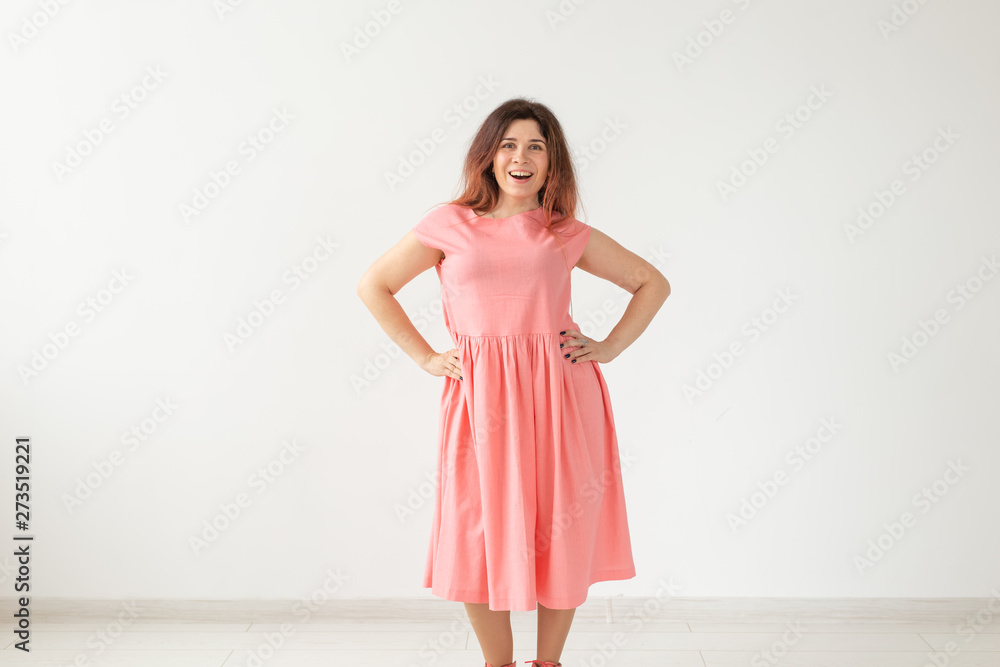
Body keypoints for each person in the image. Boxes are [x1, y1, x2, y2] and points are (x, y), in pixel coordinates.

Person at [357, 97, 670, 667]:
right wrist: (428, 358)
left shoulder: (562, 231)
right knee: (475, 527)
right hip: (479, 400)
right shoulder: (447, 224)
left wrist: (609, 347)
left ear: (553, 163)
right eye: (509, 145)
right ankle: (497, 664)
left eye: (536, 146)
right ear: (488, 155)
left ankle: (547, 663)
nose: (521, 158)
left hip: (560, 397)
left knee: (560, 528)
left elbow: (651, 282)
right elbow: (374, 284)